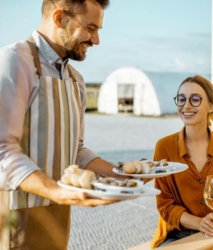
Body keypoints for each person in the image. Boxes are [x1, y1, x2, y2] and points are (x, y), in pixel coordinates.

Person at [0, 0, 123, 249]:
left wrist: (124, 175)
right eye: (90, 28)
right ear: (60, 18)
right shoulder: (16, 60)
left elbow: (75, 150)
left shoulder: (75, 79)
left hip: (59, 211)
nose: (96, 40)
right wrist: (55, 191)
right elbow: (3, 148)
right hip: (17, 212)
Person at [151, 75, 213, 248]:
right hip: (177, 235)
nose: (186, 106)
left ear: (211, 106)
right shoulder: (164, 147)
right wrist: (199, 223)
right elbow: (165, 205)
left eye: (195, 99)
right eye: (181, 99)